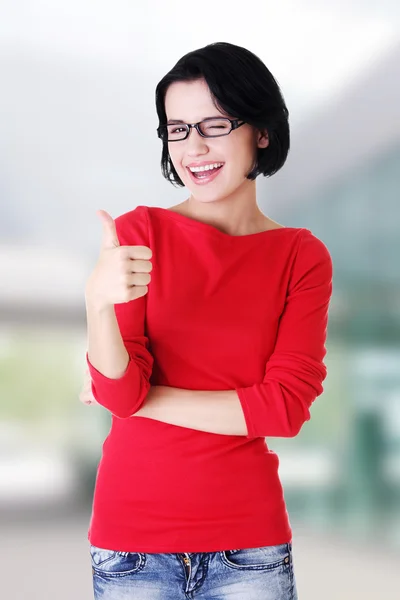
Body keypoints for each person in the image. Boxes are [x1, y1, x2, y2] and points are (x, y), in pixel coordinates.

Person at [83, 41, 333, 600]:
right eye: (177, 129)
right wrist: (98, 304)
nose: (193, 147)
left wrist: (144, 396)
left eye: (214, 124)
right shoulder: (138, 235)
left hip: (249, 545)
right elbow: (121, 392)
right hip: (131, 544)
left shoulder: (300, 256)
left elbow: (286, 407)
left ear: (261, 132)